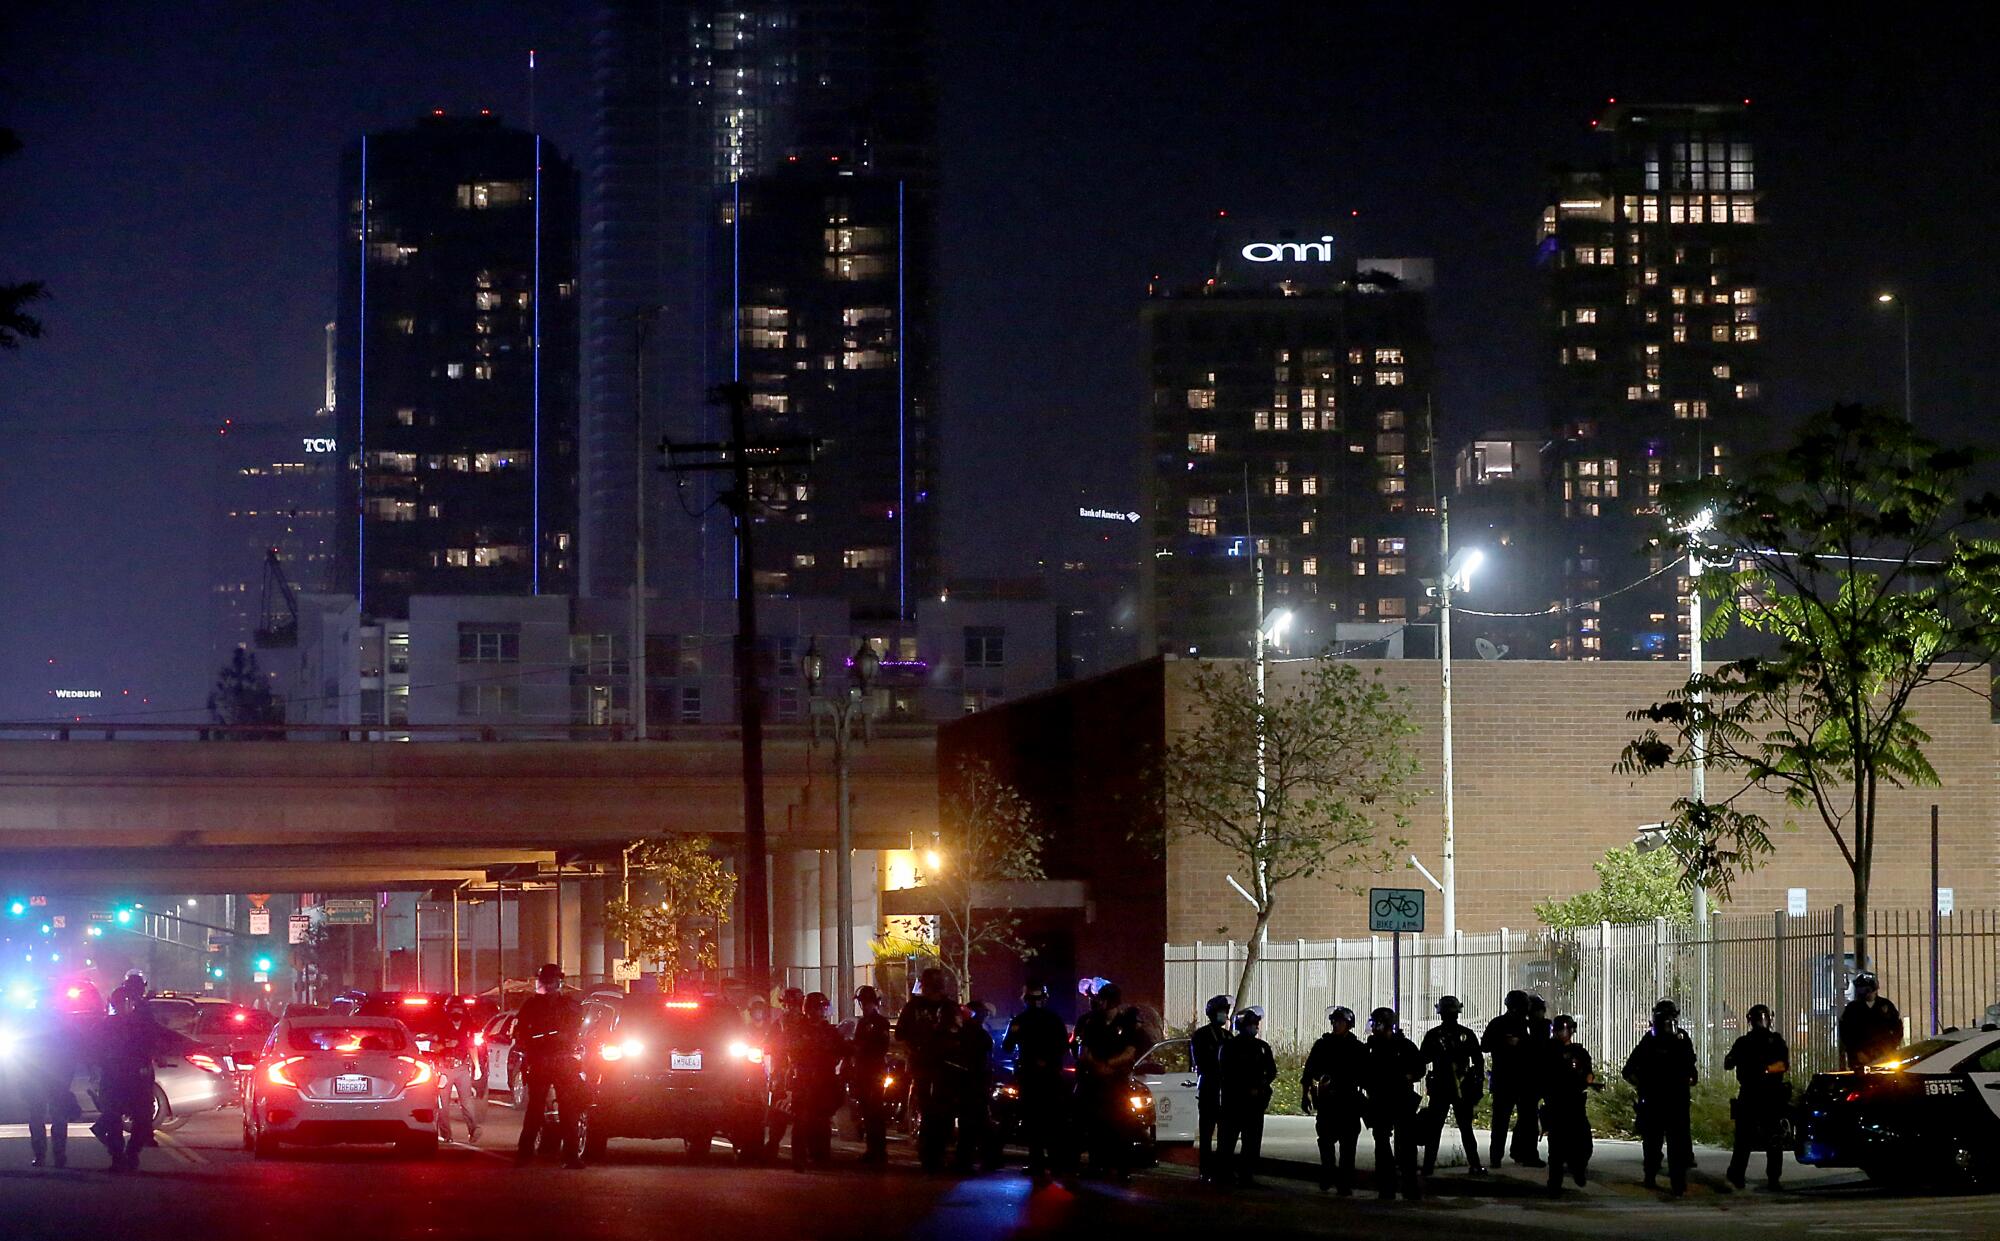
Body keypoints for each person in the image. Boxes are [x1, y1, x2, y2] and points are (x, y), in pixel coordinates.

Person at [513, 962, 585, 1169]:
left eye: (551, 981)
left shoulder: (567, 1005)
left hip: (560, 1060)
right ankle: (526, 1153)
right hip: (542, 1060)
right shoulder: (532, 1006)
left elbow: (575, 1030)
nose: (548, 985)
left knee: (567, 1108)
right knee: (537, 1108)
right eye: (546, 981)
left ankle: (569, 1155)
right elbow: (522, 1034)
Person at [1623, 998, 1697, 1195]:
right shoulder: (1650, 1041)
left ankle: (1675, 1181)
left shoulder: (1681, 1040)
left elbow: (1691, 1067)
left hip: (1673, 1100)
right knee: (1655, 1143)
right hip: (1657, 1100)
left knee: (1673, 1143)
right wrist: (1643, 1086)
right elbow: (1628, 1070)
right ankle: (1654, 1175)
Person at [96, 983, 172, 1172]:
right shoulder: (105, 1026)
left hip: (137, 1077)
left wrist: (158, 1056)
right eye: (119, 1002)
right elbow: (94, 1049)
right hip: (114, 1077)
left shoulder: (142, 1025)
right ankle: (117, 1156)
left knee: (143, 1118)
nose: (123, 1005)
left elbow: (158, 1040)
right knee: (113, 1118)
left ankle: (131, 1153)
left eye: (126, 1002)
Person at [1074, 981, 1146, 1178]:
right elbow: (1084, 1051)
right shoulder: (1092, 1023)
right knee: (1096, 1125)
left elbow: (1130, 1052)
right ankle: (1098, 1164)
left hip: (1117, 1083)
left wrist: (1108, 1065)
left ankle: (1122, 1167)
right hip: (1096, 1083)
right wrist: (1098, 1067)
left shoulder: (1126, 1023)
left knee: (1120, 1123)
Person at [1001, 983, 1069, 1178]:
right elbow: (1064, 1046)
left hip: (1029, 1079)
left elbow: (1006, 1046)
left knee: (1033, 1122)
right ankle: (1056, 1164)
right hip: (1051, 1078)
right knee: (1053, 1121)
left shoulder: (1020, 1021)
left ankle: (1037, 1163)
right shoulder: (1054, 1020)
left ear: (1025, 999)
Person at [1360, 1007, 1425, 1201]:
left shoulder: (1404, 1046)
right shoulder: (1370, 1048)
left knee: (1406, 1145)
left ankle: (1409, 1187)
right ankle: (1386, 1187)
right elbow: (1361, 1072)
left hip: (1401, 1099)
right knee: (1381, 1144)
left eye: (1377, 1023)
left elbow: (1419, 1068)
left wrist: (1409, 1076)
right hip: (1379, 1100)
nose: (1374, 1028)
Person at [1300, 1005, 1366, 1194]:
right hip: (1328, 1101)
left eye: (1340, 1022)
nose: (1336, 1025)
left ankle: (1344, 1183)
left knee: (1348, 1144)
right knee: (1326, 1141)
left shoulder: (1357, 1048)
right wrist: (1305, 1095)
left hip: (1349, 1101)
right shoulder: (1323, 1045)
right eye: (1334, 1021)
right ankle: (1327, 1176)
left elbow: (1366, 1076)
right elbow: (1309, 1072)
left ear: (1349, 1024)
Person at [1724, 1003, 1791, 1190]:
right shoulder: (1752, 1042)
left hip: (1758, 1093)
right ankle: (1765, 1177)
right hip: (1761, 1094)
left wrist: (1762, 1070)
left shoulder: (1752, 1042)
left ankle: (1745, 1175)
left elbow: (1783, 1065)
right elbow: (1729, 1062)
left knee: (1751, 1139)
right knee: (1765, 1139)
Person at [1419, 994, 1486, 1177]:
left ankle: (1429, 1167)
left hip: (1457, 1085)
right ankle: (1473, 1165)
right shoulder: (1453, 1035)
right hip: (1447, 1085)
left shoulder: (1439, 1035)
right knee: (1450, 1129)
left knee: (1455, 1128)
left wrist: (1475, 1080)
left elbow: (1478, 1061)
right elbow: (1423, 1059)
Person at [898, 968, 958, 1172]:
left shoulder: (943, 1007)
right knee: (933, 1110)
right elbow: (902, 1035)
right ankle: (933, 1154)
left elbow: (901, 1035)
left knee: (933, 1110)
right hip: (930, 1067)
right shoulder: (943, 1007)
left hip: (936, 1067)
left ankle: (931, 1154)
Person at [1215, 1007, 1276, 1186]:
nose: (1255, 1027)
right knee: (1229, 1139)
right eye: (1252, 1024)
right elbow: (1226, 1073)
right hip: (1234, 1101)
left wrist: (1260, 1087)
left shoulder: (1261, 1047)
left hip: (1253, 1102)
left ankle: (1244, 1174)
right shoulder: (1229, 1047)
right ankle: (1226, 1174)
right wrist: (1249, 1088)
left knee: (1251, 1141)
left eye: (1256, 1024)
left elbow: (1271, 1072)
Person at [18, 1004, 83, 1168]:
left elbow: (22, 1055)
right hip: (53, 1080)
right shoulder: (64, 1025)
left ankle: (41, 1156)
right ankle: (58, 1156)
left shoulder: (31, 1024)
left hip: (39, 1080)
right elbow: (75, 1052)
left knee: (38, 1117)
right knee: (56, 1117)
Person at [788, 992, 846, 1170]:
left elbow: (842, 1049)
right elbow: (791, 1051)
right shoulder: (798, 1030)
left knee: (822, 1120)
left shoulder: (829, 1031)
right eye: (816, 1008)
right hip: (804, 1078)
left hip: (824, 1079)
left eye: (821, 1008)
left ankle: (821, 1157)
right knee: (802, 1120)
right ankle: (799, 1158)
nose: (819, 1012)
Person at [1541, 1014, 1599, 1194]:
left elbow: (1588, 1072)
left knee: (1583, 1143)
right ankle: (1554, 1183)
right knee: (1556, 1148)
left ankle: (1578, 1168)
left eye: (1567, 1029)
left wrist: (1588, 1080)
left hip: (1575, 1103)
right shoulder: (1548, 1050)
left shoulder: (1579, 1052)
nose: (1564, 1033)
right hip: (1556, 1103)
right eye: (1561, 1029)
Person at [1482, 988, 1531, 1168]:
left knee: (1524, 1119)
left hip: (1520, 1080)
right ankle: (1497, 1157)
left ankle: (1517, 1152)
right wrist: (1504, 1043)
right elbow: (1485, 1046)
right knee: (1501, 1121)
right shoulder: (1500, 1024)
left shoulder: (1526, 1025)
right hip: (1506, 1079)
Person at [849, 985, 895, 1165]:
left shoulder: (878, 1022)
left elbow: (879, 1047)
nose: (865, 1005)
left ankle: (878, 1151)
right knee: (868, 1113)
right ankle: (873, 1149)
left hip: (873, 1072)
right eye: (863, 1002)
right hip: (864, 1072)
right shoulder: (864, 1022)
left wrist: (859, 1048)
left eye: (866, 1002)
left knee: (875, 1112)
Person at [1190, 993, 1233, 1182]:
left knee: (1226, 1133)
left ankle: (1223, 1168)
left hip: (1227, 1091)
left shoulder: (1228, 1036)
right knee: (1207, 1132)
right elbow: (1202, 1061)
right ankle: (1205, 1169)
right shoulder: (1201, 1035)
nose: (1224, 1015)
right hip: (1209, 1089)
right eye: (1221, 1012)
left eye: (1226, 1011)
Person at [764, 987, 809, 1160]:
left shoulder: (807, 1025)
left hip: (802, 1077)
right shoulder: (778, 1025)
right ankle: (773, 1145)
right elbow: (767, 1045)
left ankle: (804, 1152)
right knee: (778, 1114)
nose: (792, 1009)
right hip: (781, 1076)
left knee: (804, 1115)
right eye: (788, 1005)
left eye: (795, 1005)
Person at [951, 999, 996, 1172]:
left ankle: (967, 1159)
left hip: (972, 1082)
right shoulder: (979, 1033)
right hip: (976, 1082)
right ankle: (987, 1157)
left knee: (970, 1122)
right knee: (979, 1120)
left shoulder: (970, 1033)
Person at [434, 995, 483, 1145]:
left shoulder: (468, 1026)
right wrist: (447, 1045)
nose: (457, 1013)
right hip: (444, 1068)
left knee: (467, 1102)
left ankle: (474, 1129)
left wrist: (477, 1067)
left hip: (462, 1067)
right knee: (443, 1103)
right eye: (454, 1009)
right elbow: (434, 1047)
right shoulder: (440, 1025)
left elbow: (471, 1047)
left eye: (459, 1009)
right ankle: (446, 1134)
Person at [1510, 993, 1551, 1166]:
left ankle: (1520, 1151)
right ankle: (1528, 1153)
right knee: (1529, 1117)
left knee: (1527, 1117)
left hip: (1532, 1077)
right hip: (1530, 1078)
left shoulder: (1534, 1028)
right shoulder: (1531, 1028)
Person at [1838, 973, 1903, 1070]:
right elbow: (1846, 1033)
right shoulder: (1852, 1008)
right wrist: (1857, 1052)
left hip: (1884, 1055)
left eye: (1866, 989)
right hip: (1860, 1058)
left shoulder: (1886, 1005)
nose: (1864, 993)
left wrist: (1891, 1049)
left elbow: (1897, 1028)